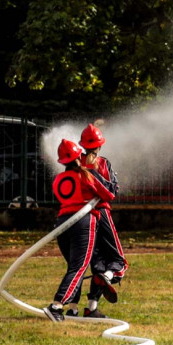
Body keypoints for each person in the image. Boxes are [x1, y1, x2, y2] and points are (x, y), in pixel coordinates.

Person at [43, 138, 115, 323]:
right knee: (79, 267)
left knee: (74, 268)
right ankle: (57, 305)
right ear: (78, 156)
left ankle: (73, 310)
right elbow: (108, 194)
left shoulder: (58, 179)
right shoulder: (86, 174)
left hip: (62, 223)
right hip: (83, 221)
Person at [79, 123, 127, 310]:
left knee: (97, 259)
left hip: (82, 218)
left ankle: (91, 307)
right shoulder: (103, 163)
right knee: (118, 260)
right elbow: (112, 190)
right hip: (102, 214)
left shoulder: (76, 165)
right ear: (100, 146)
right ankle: (108, 277)